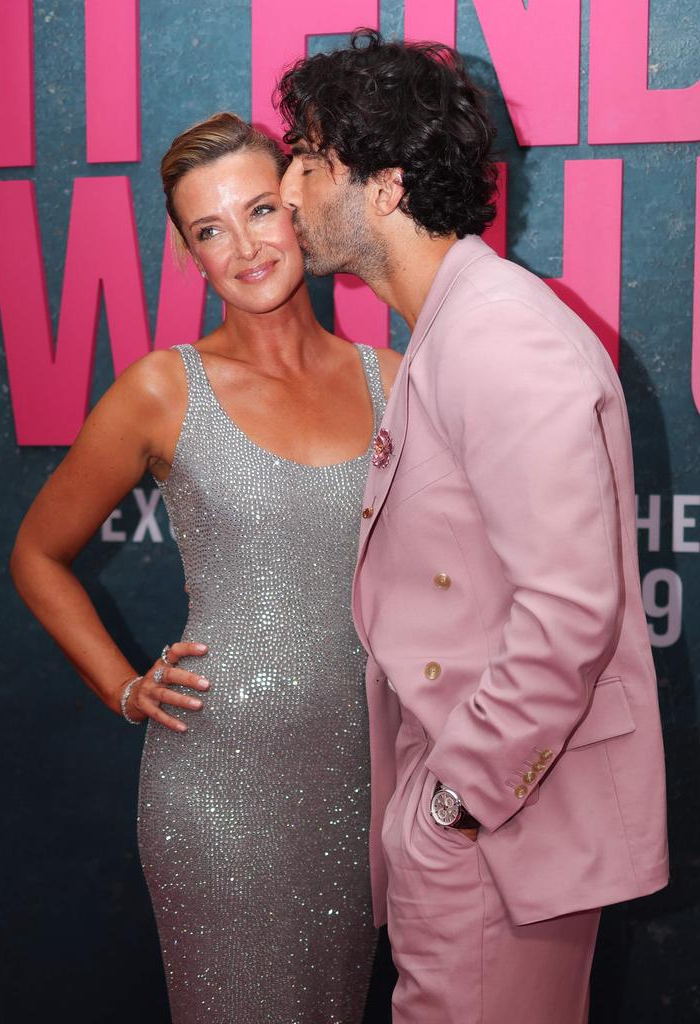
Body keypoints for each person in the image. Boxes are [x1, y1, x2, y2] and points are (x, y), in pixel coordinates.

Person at [277, 31, 669, 1024]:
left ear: (386, 187)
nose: (288, 190)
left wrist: (455, 803)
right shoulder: (455, 327)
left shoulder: (496, 336)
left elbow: (573, 613)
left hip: (499, 836)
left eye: (311, 163)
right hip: (484, 831)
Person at [10, 111, 401, 1024]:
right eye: (210, 230)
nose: (246, 247)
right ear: (189, 255)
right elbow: (37, 554)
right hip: (217, 796)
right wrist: (121, 686)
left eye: (261, 210)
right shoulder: (162, 388)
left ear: (300, 207)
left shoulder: (393, 378)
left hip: (361, 788)